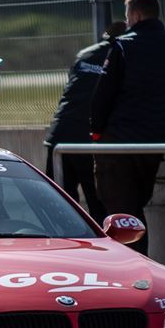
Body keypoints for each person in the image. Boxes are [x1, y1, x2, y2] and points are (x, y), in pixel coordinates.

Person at [91, 0, 165, 256]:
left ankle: (133, 270)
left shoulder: (123, 46)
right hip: (156, 144)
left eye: (127, 16)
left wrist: (97, 133)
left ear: (135, 15)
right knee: (135, 207)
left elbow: (103, 96)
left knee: (122, 215)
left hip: (120, 145)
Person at [44, 21, 126, 223]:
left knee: (58, 208)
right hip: (88, 138)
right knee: (98, 206)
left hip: (60, 135)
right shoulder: (122, 55)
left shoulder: (84, 54)